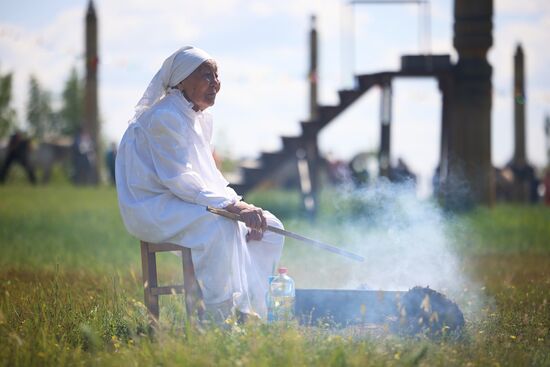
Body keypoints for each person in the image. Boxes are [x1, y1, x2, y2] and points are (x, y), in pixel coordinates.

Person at [115, 46, 284, 322]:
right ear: (181, 80)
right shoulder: (165, 116)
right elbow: (181, 180)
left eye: (216, 76)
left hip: (183, 201)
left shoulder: (200, 117)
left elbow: (210, 178)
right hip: (153, 205)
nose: (215, 83)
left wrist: (240, 206)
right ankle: (219, 317)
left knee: (272, 227)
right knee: (220, 225)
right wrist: (233, 209)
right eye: (206, 76)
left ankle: (252, 306)